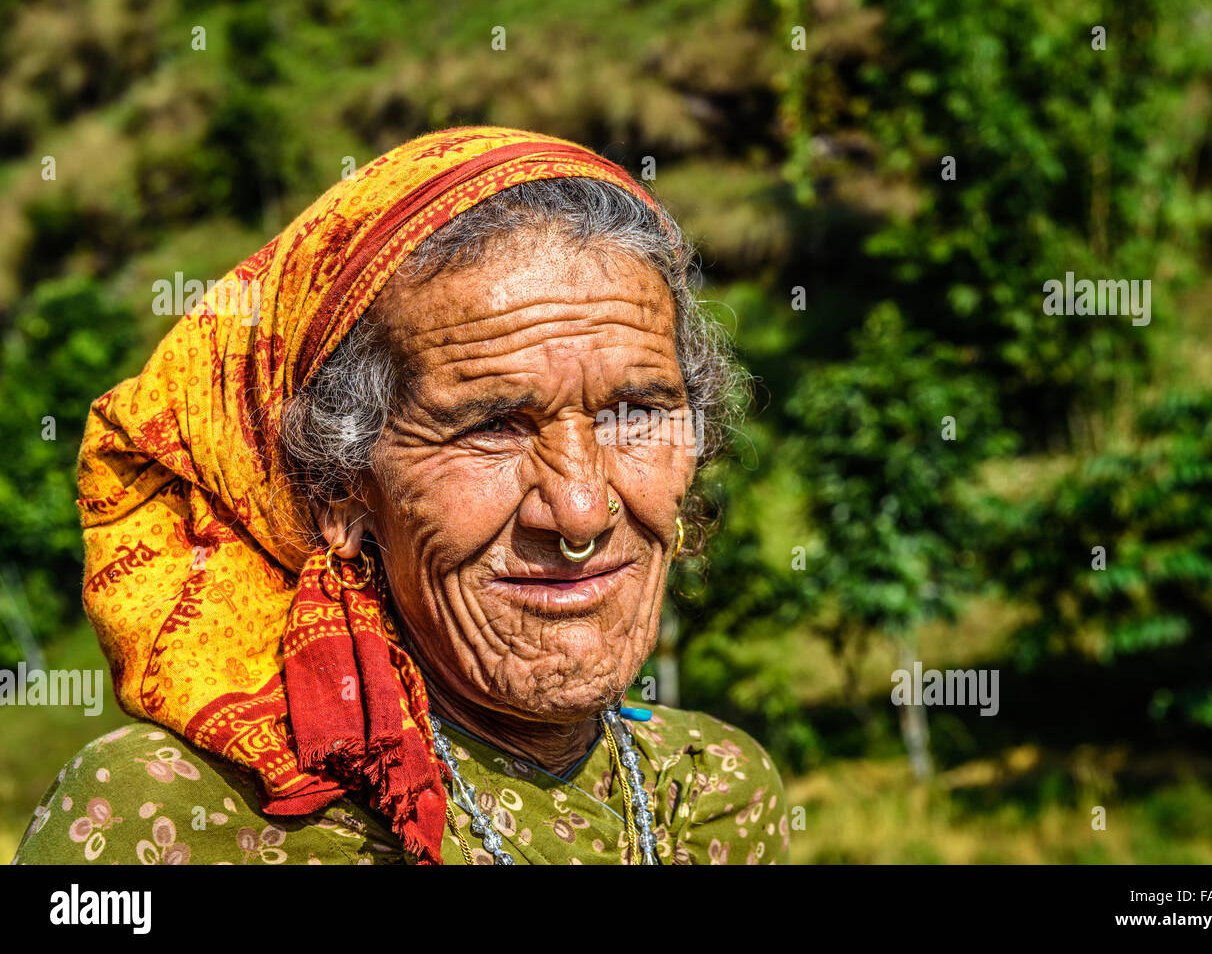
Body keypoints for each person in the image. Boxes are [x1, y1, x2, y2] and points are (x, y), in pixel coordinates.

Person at [12, 126, 789, 865]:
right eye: (492, 426)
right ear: (341, 492)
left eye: (634, 414)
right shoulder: (175, 816)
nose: (581, 511)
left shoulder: (716, 791)